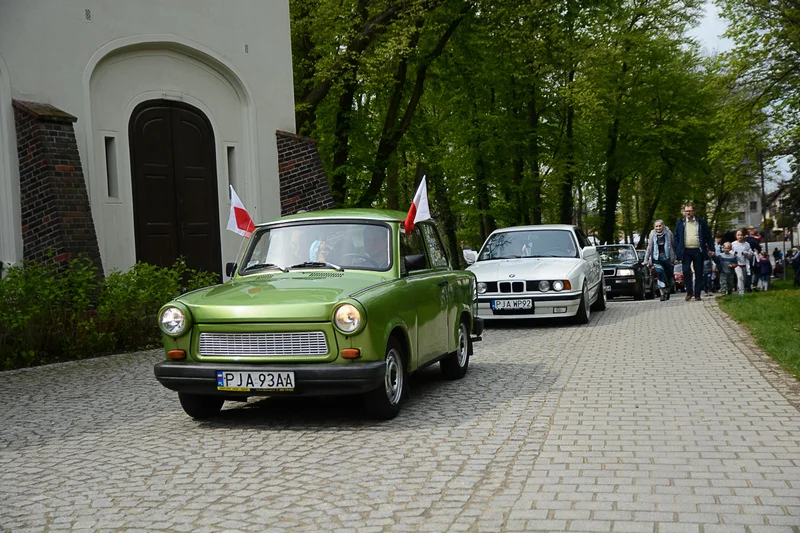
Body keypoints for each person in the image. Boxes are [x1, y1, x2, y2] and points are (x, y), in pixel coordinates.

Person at [674, 204, 714, 301]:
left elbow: (708, 236)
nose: (688, 213)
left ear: (694, 212)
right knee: (686, 271)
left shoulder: (700, 222)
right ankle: (689, 292)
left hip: (698, 250)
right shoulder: (680, 222)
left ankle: (697, 294)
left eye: (690, 211)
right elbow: (676, 237)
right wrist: (677, 248)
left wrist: (712, 249)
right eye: (686, 211)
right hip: (685, 250)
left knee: (699, 272)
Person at [644, 219, 675, 301]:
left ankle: (667, 290)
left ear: (663, 226)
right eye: (656, 226)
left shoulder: (669, 233)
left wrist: (675, 257)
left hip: (667, 258)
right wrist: (646, 259)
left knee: (668, 276)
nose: (658, 228)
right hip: (656, 258)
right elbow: (649, 247)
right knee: (660, 273)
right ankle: (662, 293)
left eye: (660, 226)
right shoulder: (652, 234)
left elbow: (673, 245)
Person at [731, 229, 754, 296]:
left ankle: (740, 289)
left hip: (745, 264)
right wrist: (734, 253)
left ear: (744, 236)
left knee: (743, 278)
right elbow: (730, 253)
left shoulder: (747, 244)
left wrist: (746, 253)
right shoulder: (733, 244)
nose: (740, 236)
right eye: (738, 235)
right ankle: (741, 293)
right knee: (740, 277)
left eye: (741, 235)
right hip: (737, 264)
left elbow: (750, 255)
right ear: (736, 236)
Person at [744, 227, 762, 292]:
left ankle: (747, 286)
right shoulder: (754, 240)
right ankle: (754, 285)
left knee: (748, 272)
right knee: (756, 272)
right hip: (754, 257)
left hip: (745, 258)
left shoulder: (744, 241)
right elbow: (759, 248)